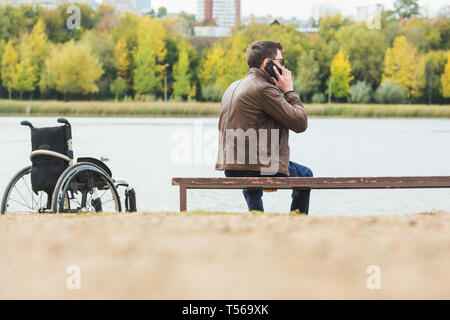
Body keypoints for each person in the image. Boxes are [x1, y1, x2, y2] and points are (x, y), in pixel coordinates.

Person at [215, 41, 313, 214]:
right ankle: (298, 222)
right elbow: (300, 123)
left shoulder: (234, 86)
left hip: (232, 167)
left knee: (250, 172)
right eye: (281, 62)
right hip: (256, 167)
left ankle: (257, 218)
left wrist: (267, 175)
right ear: (268, 63)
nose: (284, 68)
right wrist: (289, 90)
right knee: (306, 176)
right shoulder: (264, 89)